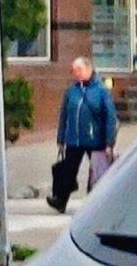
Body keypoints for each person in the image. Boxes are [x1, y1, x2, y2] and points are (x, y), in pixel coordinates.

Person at [48, 56, 118, 213]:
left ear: (89, 69)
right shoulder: (71, 91)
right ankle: (60, 200)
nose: (76, 73)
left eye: (79, 70)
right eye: (74, 70)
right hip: (74, 139)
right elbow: (64, 114)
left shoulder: (100, 91)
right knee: (68, 169)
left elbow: (110, 117)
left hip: (95, 140)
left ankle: (96, 202)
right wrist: (61, 138)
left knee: (97, 171)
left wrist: (109, 142)